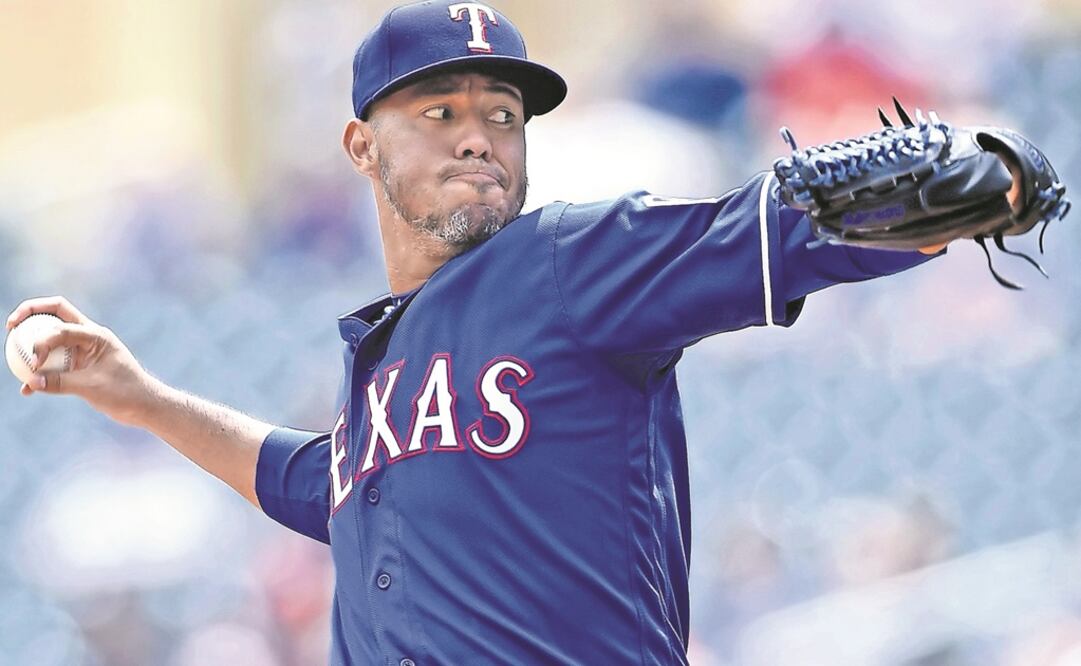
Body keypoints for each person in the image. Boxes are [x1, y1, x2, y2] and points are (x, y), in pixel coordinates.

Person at [6, 1, 1019, 664]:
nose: (477, 132)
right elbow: (312, 481)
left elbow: (754, 235)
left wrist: (968, 184)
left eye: (500, 112)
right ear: (362, 145)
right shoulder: (379, 374)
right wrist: (140, 398)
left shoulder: (568, 264)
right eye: (439, 108)